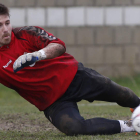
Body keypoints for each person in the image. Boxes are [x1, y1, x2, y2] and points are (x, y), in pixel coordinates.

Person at [0, 3, 139, 135]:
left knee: (123, 94)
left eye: (7, 23)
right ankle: (132, 125)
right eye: (0, 25)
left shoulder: (26, 34)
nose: (6, 29)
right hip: (52, 101)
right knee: (73, 127)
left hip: (74, 76)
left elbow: (58, 45)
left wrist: (38, 55)